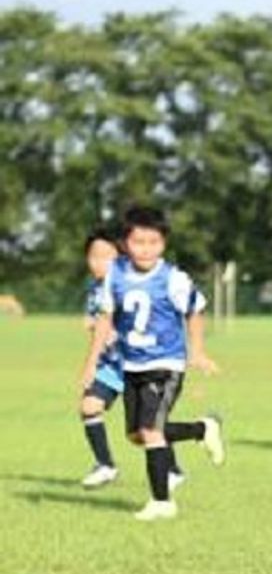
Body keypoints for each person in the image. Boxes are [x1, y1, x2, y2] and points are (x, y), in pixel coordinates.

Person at [79, 205, 225, 521]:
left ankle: (162, 502)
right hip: (131, 366)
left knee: (150, 430)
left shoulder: (172, 278)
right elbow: (105, 319)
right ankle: (203, 429)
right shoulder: (116, 275)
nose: (146, 249)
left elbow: (195, 311)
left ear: (164, 243)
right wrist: (91, 363)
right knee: (137, 436)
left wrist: (197, 352)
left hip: (166, 364)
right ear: (125, 243)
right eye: (139, 242)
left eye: (154, 242)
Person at [78, 226, 126, 488]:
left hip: (138, 365)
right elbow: (97, 325)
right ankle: (106, 465)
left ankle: (200, 430)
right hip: (110, 365)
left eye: (106, 256)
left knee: (145, 430)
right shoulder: (95, 288)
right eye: (93, 256)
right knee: (89, 406)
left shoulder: (128, 287)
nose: (98, 262)